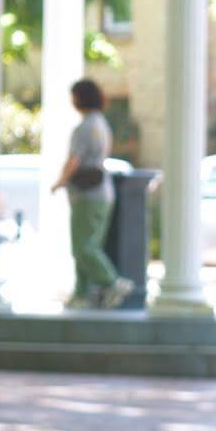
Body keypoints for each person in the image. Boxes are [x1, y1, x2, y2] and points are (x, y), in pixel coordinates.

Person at [50, 79, 133, 310]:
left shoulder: (85, 127)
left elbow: (74, 160)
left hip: (87, 195)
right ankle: (81, 294)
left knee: (83, 247)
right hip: (102, 193)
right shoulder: (101, 124)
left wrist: (59, 181)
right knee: (86, 244)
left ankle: (112, 281)